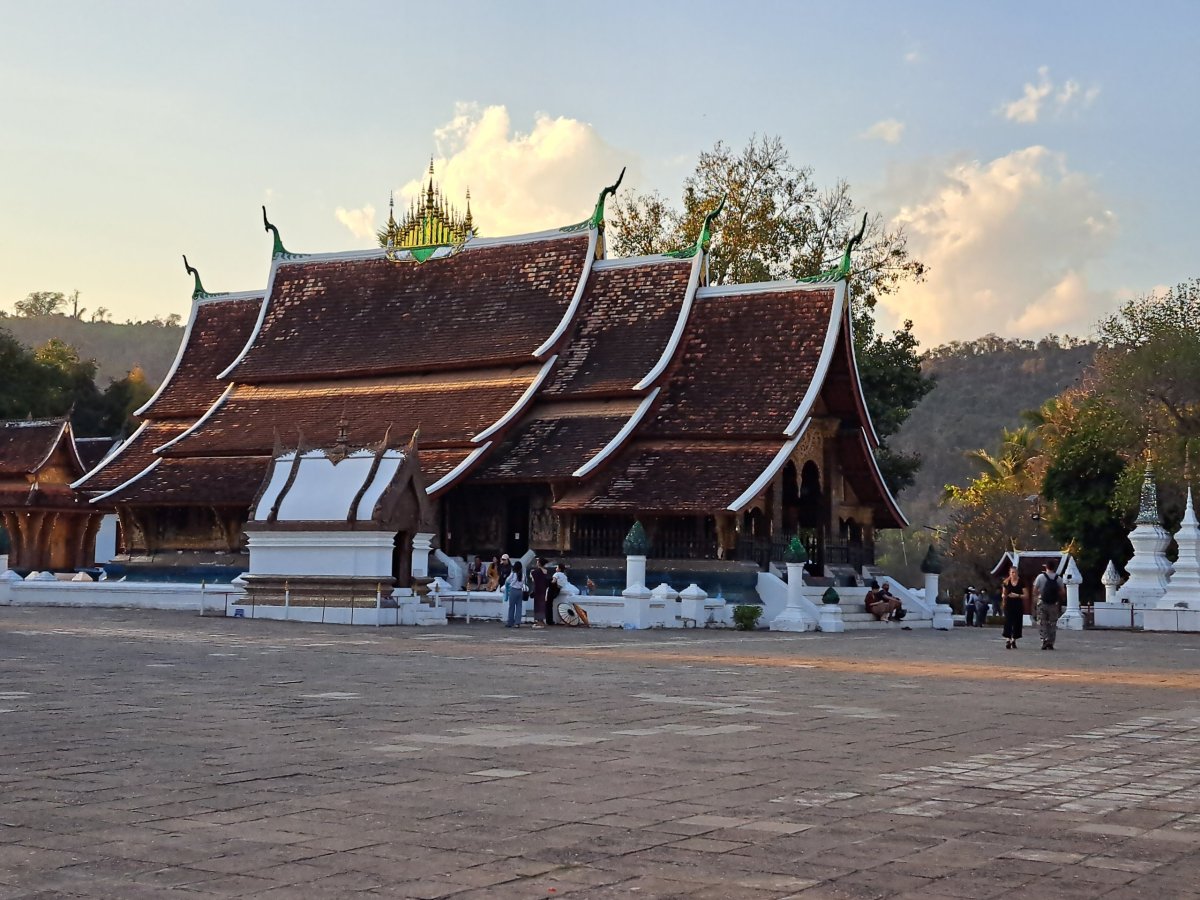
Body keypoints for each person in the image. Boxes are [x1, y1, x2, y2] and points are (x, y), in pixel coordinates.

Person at [1032, 562, 1064, 650]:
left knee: (1042, 622)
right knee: (1052, 623)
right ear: (1054, 568)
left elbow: (1034, 590)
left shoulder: (1040, 577)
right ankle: (1051, 642)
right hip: (1053, 604)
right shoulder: (1059, 578)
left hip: (1042, 602)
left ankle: (1044, 639)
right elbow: (1062, 592)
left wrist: (1039, 595)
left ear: (1046, 567)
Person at [1001, 567, 1024, 650]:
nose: (1013, 574)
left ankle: (1014, 639)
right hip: (1008, 604)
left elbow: (1026, 595)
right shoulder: (1006, 582)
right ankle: (1008, 639)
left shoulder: (1021, 582)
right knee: (1008, 622)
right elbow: (1003, 593)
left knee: (1017, 622)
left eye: (1014, 572)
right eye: (1011, 572)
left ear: (1017, 573)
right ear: (1009, 573)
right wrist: (1003, 598)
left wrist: (1017, 595)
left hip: (1018, 604)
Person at [529, 557, 551, 627]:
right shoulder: (545, 571)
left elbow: (533, 580)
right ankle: (541, 621)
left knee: (538, 606)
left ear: (539, 563)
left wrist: (531, 574)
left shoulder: (536, 571)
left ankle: (539, 621)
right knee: (542, 605)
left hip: (537, 590)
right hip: (543, 589)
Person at [504, 560, 524, 628]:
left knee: (511, 607)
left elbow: (507, 580)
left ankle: (510, 622)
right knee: (519, 607)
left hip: (513, 590)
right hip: (520, 591)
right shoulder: (522, 574)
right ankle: (517, 623)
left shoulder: (513, 573)